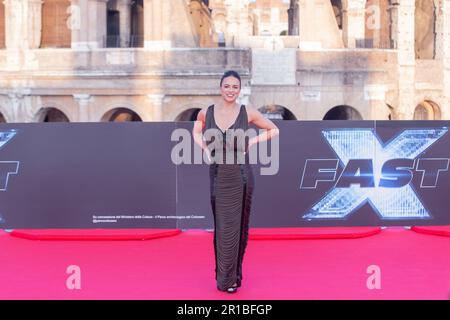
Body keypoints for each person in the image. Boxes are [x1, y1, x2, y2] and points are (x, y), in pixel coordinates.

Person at [193, 70, 279, 293]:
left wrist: (252, 141)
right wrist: (204, 147)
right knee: (222, 228)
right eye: (227, 86)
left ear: (239, 90)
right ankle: (223, 276)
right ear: (220, 87)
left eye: (235, 87)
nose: (230, 90)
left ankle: (231, 279)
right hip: (217, 174)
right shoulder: (207, 112)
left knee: (236, 228)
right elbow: (195, 130)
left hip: (240, 177)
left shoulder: (247, 112)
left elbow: (274, 130)